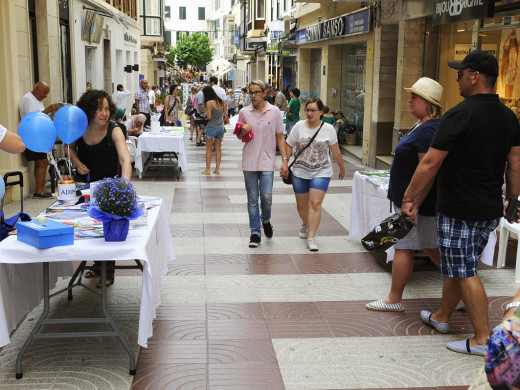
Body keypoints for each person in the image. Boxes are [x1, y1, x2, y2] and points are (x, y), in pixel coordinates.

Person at [402, 51, 520, 356]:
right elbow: (516, 162)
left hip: (458, 208)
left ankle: (482, 339)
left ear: (475, 76)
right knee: (458, 265)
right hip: (488, 207)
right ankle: (442, 316)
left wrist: (410, 198)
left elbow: (430, 163)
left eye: (460, 73)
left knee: (465, 269)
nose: (456, 79)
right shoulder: (509, 116)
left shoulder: (458, 114)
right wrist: (513, 200)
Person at [365, 77, 445, 312]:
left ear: (428, 103)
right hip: (412, 201)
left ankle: (394, 298)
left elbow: (428, 170)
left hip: (417, 203)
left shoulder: (429, 129)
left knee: (403, 247)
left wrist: (414, 202)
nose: (409, 101)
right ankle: (459, 289)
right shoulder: (422, 125)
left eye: (414, 97)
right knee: (429, 246)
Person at [66, 89, 132, 288]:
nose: (104, 113)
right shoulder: (80, 128)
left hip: (110, 188)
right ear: (88, 110)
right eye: (98, 109)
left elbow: (125, 159)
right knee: (91, 228)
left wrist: (123, 185)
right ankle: (96, 265)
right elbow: (68, 148)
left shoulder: (115, 129)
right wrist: (77, 162)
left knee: (108, 228)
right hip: (86, 187)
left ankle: (108, 272)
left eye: (106, 108)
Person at [283, 98, 345, 251]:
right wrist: (285, 162)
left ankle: (311, 237)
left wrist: (341, 168)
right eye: (307, 110)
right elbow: (288, 145)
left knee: (315, 203)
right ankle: (305, 223)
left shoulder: (328, 129)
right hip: (299, 171)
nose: (309, 113)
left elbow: (335, 150)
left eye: (313, 110)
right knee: (301, 205)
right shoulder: (299, 126)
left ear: (321, 112)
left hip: (321, 170)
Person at [237, 80, 289, 248]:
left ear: (264, 92)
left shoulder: (274, 111)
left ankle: (265, 220)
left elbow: (280, 137)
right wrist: (242, 132)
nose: (253, 96)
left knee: (266, 197)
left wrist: (284, 161)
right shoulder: (244, 112)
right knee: (252, 199)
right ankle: (255, 233)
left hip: (267, 161)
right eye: (250, 92)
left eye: (256, 92)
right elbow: (240, 136)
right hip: (249, 161)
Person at [19, 81, 59, 199]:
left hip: (38, 136)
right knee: (42, 162)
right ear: (37, 88)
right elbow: (33, 118)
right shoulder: (28, 99)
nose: (46, 95)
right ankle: (39, 191)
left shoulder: (37, 100)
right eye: (44, 92)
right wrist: (49, 109)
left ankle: (40, 189)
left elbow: (41, 116)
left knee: (41, 162)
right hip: (32, 136)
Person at [200, 86, 225, 175]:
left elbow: (210, 117)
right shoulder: (220, 101)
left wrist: (205, 115)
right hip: (220, 128)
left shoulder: (209, 103)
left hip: (211, 128)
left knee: (209, 150)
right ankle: (217, 169)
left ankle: (208, 170)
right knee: (218, 149)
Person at [502, 30, 519, 98]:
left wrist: (516, 73)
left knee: (511, 86)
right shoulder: (509, 49)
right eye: (511, 41)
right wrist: (508, 38)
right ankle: (506, 99)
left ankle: (510, 100)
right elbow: (503, 46)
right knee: (507, 85)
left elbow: (517, 62)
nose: (512, 43)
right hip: (508, 70)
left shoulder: (517, 50)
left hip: (514, 70)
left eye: (513, 41)